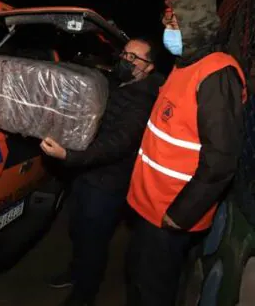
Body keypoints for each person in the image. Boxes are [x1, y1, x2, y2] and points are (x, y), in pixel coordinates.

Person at [125, 0, 248, 306]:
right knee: (137, 279)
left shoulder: (217, 74)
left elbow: (221, 160)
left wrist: (181, 215)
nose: (168, 32)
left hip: (170, 215)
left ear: (197, 25)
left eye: (175, 26)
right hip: (146, 206)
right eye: (167, 25)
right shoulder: (183, 66)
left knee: (155, 291)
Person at [40, 38, 165, 306]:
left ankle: (85, 294)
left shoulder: (143, 101)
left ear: (149, 67)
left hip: (108, 184)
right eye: (125, 54)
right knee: (77, 230)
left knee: (93, 241)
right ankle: (75, 272)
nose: (125, 60)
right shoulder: (117, 84)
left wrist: (69, 155)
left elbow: (117, 143)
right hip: (86, 174)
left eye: (134, 58)